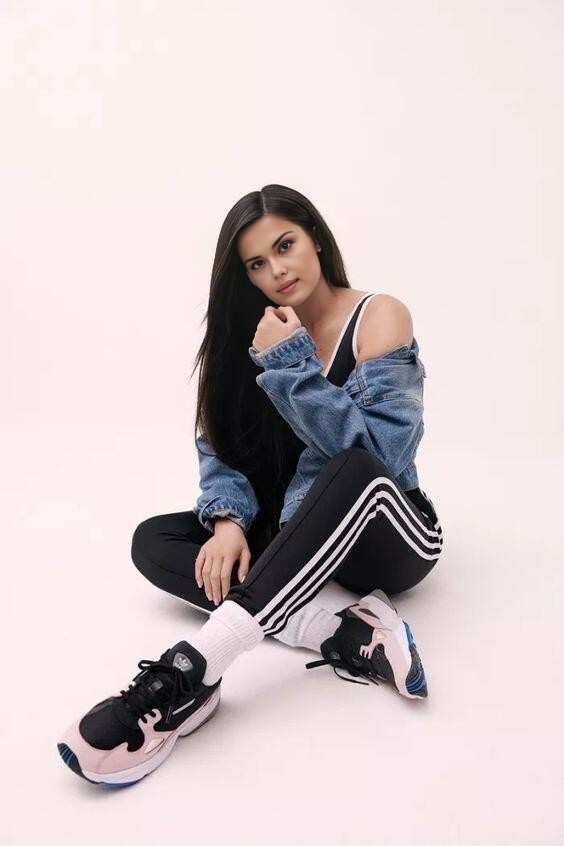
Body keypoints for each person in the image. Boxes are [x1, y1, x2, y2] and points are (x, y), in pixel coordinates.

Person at [57, 184, 444, 787]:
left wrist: (289, 362)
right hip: (299, 534)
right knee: (154, 539)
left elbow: (381, 455)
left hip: (388, 533)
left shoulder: (379, 315)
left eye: (285, 246)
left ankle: (195, 668)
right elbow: (220, 443)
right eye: (257, 264)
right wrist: (229, 523)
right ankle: (344, 632)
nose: (276, 271)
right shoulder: (252, 332)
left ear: (316, 238)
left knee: (355, 468)